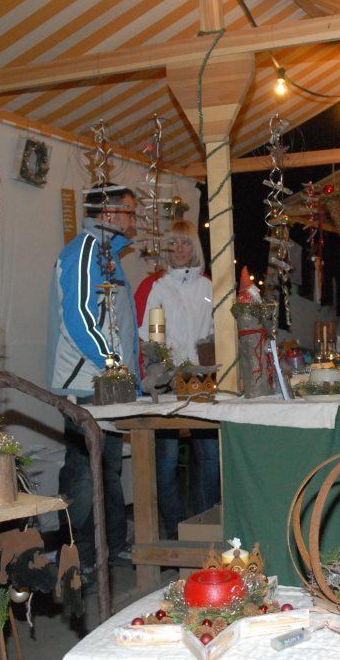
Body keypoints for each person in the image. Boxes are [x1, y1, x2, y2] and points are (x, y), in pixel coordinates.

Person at [48, 183, 140, 577]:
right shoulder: (84, 251)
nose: (134, 221)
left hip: (111, 384)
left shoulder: (108, 255)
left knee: (108, 470)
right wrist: (112, 361)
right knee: (84, 472)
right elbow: (80, 318)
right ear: (108, 212)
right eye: (130, 212)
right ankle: (77, 556)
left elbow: (114, 320)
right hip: (86, 383)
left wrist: (134, 367)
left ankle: (112, 546)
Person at [135, 220, 219, 538]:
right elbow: (144, 336)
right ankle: (175, 530)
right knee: (166, 462)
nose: (180, 249)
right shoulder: (155, 286)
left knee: (210, 458)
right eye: (173, 243)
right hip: (167, 383)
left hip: (203, 381)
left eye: (185, 242)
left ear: (195, 247)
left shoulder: (208, 287)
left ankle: (205, 526)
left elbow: (217, 333)